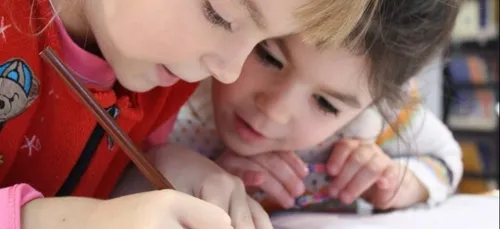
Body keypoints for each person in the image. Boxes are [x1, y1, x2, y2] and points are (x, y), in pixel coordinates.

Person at [0, 0, 374, 228]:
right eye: (220, 14)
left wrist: (155, 174)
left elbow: (86, 182)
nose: (229, 71)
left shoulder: (165, 75)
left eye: (261, 43)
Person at [114, 0, 463, 215]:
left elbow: (446, 158)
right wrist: (177, 171)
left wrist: (401, 183)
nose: (274, 110)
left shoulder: (373, 122)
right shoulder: (175, 78)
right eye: (268, 56)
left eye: (326, 104)